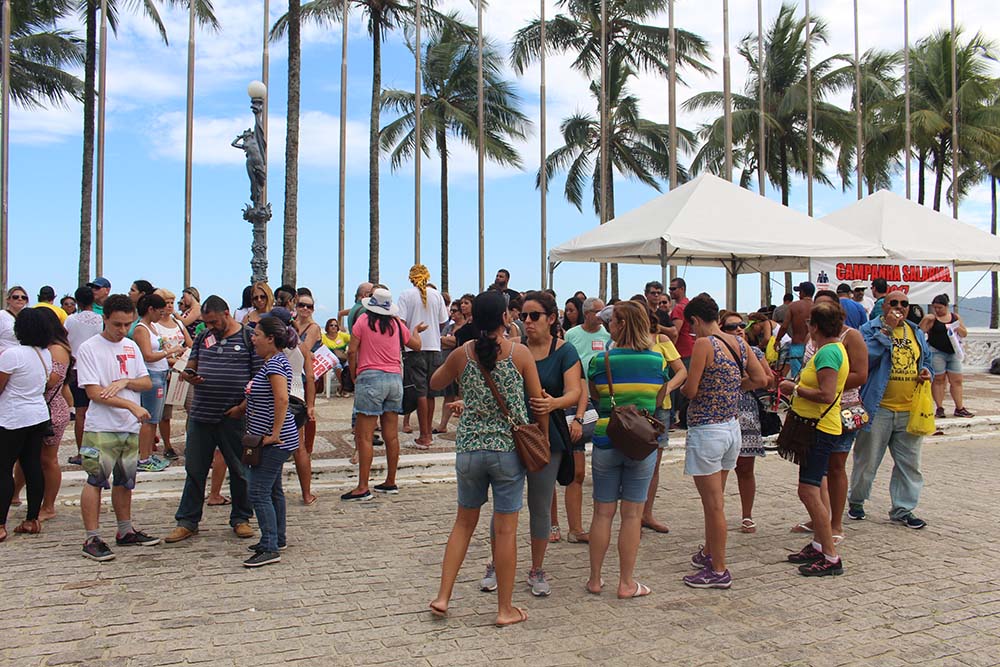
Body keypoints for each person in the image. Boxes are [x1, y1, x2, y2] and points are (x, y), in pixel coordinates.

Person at [427, 290, 545, 627]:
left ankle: (443, 596)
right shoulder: (520, 354)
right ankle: (504, 609)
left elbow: (435, 382)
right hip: (507, 451)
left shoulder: (463, 353)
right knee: (506, 531)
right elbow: (536, 401)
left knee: (463, 523)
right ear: (505, 318)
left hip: (469, 449)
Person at [681, 295, 767, 589]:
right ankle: (709, 552)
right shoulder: (739, 343)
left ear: (695, 320)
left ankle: (718, 570)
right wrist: (733, 386)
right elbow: (761, 379)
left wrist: (683, 387)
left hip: (707, 429)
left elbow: (692, 390)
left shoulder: (704, 345)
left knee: (713, 505)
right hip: (731, 427)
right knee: (717, 498)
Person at [584, 301, 668, 599]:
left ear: (620, 325)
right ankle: (626, 583)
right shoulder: (657, 361)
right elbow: (658, 400)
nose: (608, 324)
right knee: (632, 515)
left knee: (602, 513)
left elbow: (595, 396)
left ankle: (595, 579)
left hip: (607, 438)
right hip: (641, 443)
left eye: (612, 321)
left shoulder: (601, 360)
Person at [165, 295, 259, 544]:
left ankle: (241, 518)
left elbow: (258, 378)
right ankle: (187, 521)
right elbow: (192, 364)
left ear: (226, 314)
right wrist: (189, 375)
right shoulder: (202, 337)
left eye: (214, 322)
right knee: (195, 470)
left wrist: (242, 407)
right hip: (202, 413)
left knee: (239, 470)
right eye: (207, 322)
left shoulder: (249, 337)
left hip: (234, 416)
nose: (211, 327)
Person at [507, 291, 581, 596]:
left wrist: (554, 404)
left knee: (539, 505)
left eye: (534, 315)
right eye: (523, 315)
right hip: (511, 435)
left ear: (551, 319)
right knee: (505, 505)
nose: (527, 321)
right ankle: (497, 564)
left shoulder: (565, 351)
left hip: (547, 437)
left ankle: (536, 568)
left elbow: (574, 391)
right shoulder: (513, 348)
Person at [76, 294, 159, 561]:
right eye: (117, 324)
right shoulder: (89, 348)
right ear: (105, 319)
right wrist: (130, 405)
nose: (122, 330)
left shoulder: (131, 346)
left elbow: (146, 381)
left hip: (128, 427)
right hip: (102, 426)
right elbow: (94, 392)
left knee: (125, 481)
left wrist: (124, 382)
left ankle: (125, 530)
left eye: (127, 324)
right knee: (96, 480)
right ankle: (92, 537)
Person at [777, 301, 851, 576]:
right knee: (813, 487)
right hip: (819, 426)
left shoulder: (828, 353)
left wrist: (794, 388)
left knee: (808, 490)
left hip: (819, 428)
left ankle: (830, 555)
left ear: (815, 326)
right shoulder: (832, 349)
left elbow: (826, 394)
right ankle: (820, 544)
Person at [849, 291, 934, 528]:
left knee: (910, 464)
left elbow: (927, 360)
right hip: (879, 409)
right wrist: (886, 330)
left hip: (909, 409)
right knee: (867, 461)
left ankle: (903, 509)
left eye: (904, 303)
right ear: (883, 306)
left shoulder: (915, 332)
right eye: (893, 303)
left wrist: (928, 372)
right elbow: (865, 360)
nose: (899, 307)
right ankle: (857, 501)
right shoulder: (868, 330)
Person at [789, 291, 868, 544]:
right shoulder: (816, 341)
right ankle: (820, 519)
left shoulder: (848, 338)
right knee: (816, 474)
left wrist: (827, 382)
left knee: (835, 467)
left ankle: (835, 524)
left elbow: (860, 374)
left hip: (839, 409)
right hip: (813, 412)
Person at [344, 288, 424, 501]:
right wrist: (416, 331)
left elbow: (352, 351)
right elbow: (416, 345)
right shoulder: (396, 323)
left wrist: (353, 374)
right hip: (394, 380)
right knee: (391, 435)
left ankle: (363, 486)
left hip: (370, 377)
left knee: (364, 436)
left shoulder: (363, 321)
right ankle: (390, 481)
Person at [242, 315, 302, 567]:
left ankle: (269, 545)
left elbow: (282, 399)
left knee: (258, 491)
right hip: (271, 438)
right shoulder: (274, 362)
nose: (253, 339)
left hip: (273, 441)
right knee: (273, 489)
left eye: (257, 334)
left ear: (270, 338)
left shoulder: (275, 365)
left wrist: (275, 433)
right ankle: (277, 537)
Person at [0, 308, 56, 541]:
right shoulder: (45, 354)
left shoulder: (12, 355)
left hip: (12, 416)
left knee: (4, 468)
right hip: (37, 415)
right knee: (32, 465)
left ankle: (1, 524)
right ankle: (32, 519)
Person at [719, 310, 773, 534]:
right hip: (722, 412)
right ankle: (716, 513)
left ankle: (747, 515)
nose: (739, 329)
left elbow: (769, 379)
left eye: (742, 325)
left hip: (747, 412)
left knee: (746, 468)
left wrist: (743, 384)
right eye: (732, 327)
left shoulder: (755, 352)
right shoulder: (716, 351)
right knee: (719, 469)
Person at [560, 297, 608, 543]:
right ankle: (571, 527)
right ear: (587, 313)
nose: (601, 316)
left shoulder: (608, 335)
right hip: (576, 401)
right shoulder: (572, 335)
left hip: (600, 399)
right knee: (574, 470)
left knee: (599, 468)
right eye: (598, 312)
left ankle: (593, 525)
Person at [642, 306, 687, 534]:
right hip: (635, 408)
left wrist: (666, 388)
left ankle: (646, 513)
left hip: (660, 409)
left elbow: (681, 371)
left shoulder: (661, 339)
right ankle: (633, 513)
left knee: (654, 464)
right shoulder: (625, 341)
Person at [397, 265, 450, 449]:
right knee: (430, 393)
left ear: (411, 278)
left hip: (414, 349)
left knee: (419, 392)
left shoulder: (405, 295)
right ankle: (428, 433)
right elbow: (443, 321)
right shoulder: (437, 295)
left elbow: (401, 323)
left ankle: (424, 435)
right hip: (434, 348)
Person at [133, 294, 183, 473]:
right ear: (151, 310)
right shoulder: (141, 329)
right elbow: (148, 355)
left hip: (161, 374)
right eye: (159, 311)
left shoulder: (152, 327)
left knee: (155, 418)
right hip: (152, 375)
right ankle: (143, 458)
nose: (162, 315)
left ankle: (148, 455)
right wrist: (170, 352)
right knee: (149, 419)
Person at [152, 288, 193, 461]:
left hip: (182, 369)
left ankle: (191, 443)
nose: (169, 306)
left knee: (191, 408)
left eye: (171, 303)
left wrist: (184, 359)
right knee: (165, 413)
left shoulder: (178, 323)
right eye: (166, 303)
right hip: (166, 369)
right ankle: (168, 445)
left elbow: (190, 343)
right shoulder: (154, 326)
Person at [65, 286, 104, 464]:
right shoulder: (100, 319)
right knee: (96, 411)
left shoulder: (71, 320)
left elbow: (65, 339)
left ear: (77, 301)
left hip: (76, 368)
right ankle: (96, 451)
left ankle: (83, 453)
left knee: (80, 413)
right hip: (96, 368)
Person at [920, 294, 972, 419]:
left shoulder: (955, 317)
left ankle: (959, 407)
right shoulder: (932, 319)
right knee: (939, 380)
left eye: (940, 308)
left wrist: (956, 327)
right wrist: (926, 320)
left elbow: (964, 333)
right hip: (936, 352)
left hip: (953, 352)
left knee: (957, 380)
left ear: (946, 306)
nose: (937, 310)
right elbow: (920, 332)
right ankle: (939, 407)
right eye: (935, 308)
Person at [290, 294, 321, 505]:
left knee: (302, 432)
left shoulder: (313, 327)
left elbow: (304, 350)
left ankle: (306, 491)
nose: (305, 309)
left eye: (308, 306)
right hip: (295, 375)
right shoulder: (292, 325)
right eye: (301, 305)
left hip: (302, 379)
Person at [668, 278, 694, 427]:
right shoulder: (688, 305)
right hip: (689, 349)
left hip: (680, 351)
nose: (670, 291)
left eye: (673, 289)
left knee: (674, 386)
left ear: (682, 289)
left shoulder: (679, 308)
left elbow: (675, 332)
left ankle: (673, 419)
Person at [436, 302, 464, 433]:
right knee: (448, 396)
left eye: (455, 311)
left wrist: (447, 340)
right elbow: (441, 341)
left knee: (462, 397)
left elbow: (455, 343)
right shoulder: (449, 327)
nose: (452, 313)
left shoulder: (465, 328)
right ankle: (442, 425)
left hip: (461, 367)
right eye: (451, 310)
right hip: (447, 365)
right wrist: (449, 340)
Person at [777, 281, 815, 378]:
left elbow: (784, 326)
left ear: (803, 292)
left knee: (797, 377)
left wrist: (777, 340)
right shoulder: (817, 306)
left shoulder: (793, 306)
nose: (799, 294)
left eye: (800, 291)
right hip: (814, 347)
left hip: (797, 346)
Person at [322, 319, 351, 396]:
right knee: (337, 366)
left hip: (344, 358)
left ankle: (342, 387)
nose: (333, 327)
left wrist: (349, 350)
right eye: (331, 325)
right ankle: (344, 387)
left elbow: (354, 340)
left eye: (335, 325)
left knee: (349, 366)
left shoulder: (342, 335)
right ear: (327, 327)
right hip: (331, 359)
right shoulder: (323, 337)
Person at [1, 285, 30, 351]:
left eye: (23, 297)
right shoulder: (2, 315)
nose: (20, 299)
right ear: (8, 300)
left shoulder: (28, 318)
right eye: (15, 297)